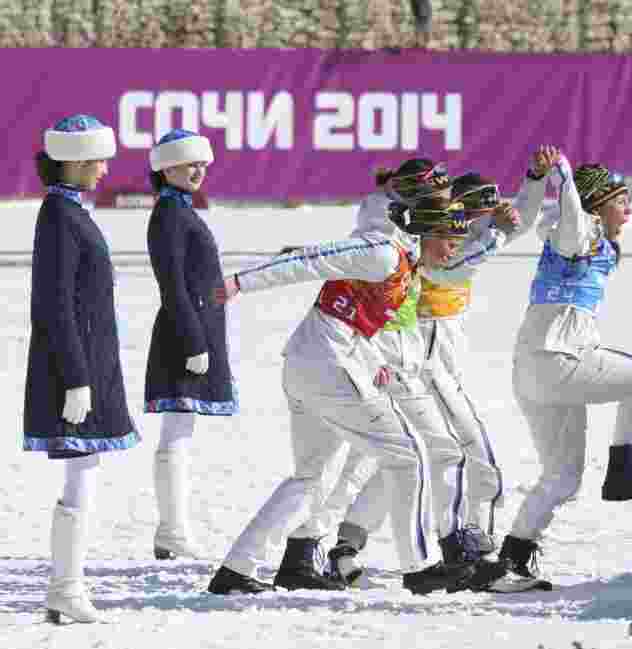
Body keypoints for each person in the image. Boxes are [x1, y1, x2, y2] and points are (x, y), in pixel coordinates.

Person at [206, 196, 477, 596]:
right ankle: (419, 568)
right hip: (327, 368)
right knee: (408, 454)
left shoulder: (407, 267)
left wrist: (376, 364)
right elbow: (313, 258)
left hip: (314, 366)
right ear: (426, 230)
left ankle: (235, 571)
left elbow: (355, 323)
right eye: (450, 238)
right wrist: (240, 282)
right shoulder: (384, 253)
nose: (455, 248)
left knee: (310, 479)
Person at [323, 153, 551, 588]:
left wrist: (533, 183)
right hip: (418, 362)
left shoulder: (453, 230)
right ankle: (474, 554)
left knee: (394, 462)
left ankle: (343, 548)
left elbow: (515, 224)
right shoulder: (427, 235)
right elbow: (454, 264)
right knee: (469, 458)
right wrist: (500, 227)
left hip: (425, 358)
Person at [498, 148, 632, 585]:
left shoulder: (605, 230)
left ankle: (511, 559)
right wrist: (559, 171)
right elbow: (573, 213)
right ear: (595, 206)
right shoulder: (573, 233)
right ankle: (625, 470)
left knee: (561, 479)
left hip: (532, 369)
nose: (626, 206)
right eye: (618, 200)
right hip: (559, 360)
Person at [24, 115, 140, 623]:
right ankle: (66, 587)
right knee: (81, 478)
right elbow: (54, 302)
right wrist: (75, 376)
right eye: (97, 159)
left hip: (91, 364)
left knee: (84, 475)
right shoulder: (58, 216)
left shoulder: (72, 212)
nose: (105, 168)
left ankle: (66, 587)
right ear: (72, 159)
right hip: (76, 369)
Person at [143, 129, 236, 560]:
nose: (198, 171)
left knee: (182, 431)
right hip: (185, 336)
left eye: (202, 164)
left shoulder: (182, 211)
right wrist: (195, 340)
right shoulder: (168, 214)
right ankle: (173, 529)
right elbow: (173, 285)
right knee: (177, 432)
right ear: (165, 168)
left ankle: (172, 529)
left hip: (196, 330)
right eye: (188, 164)